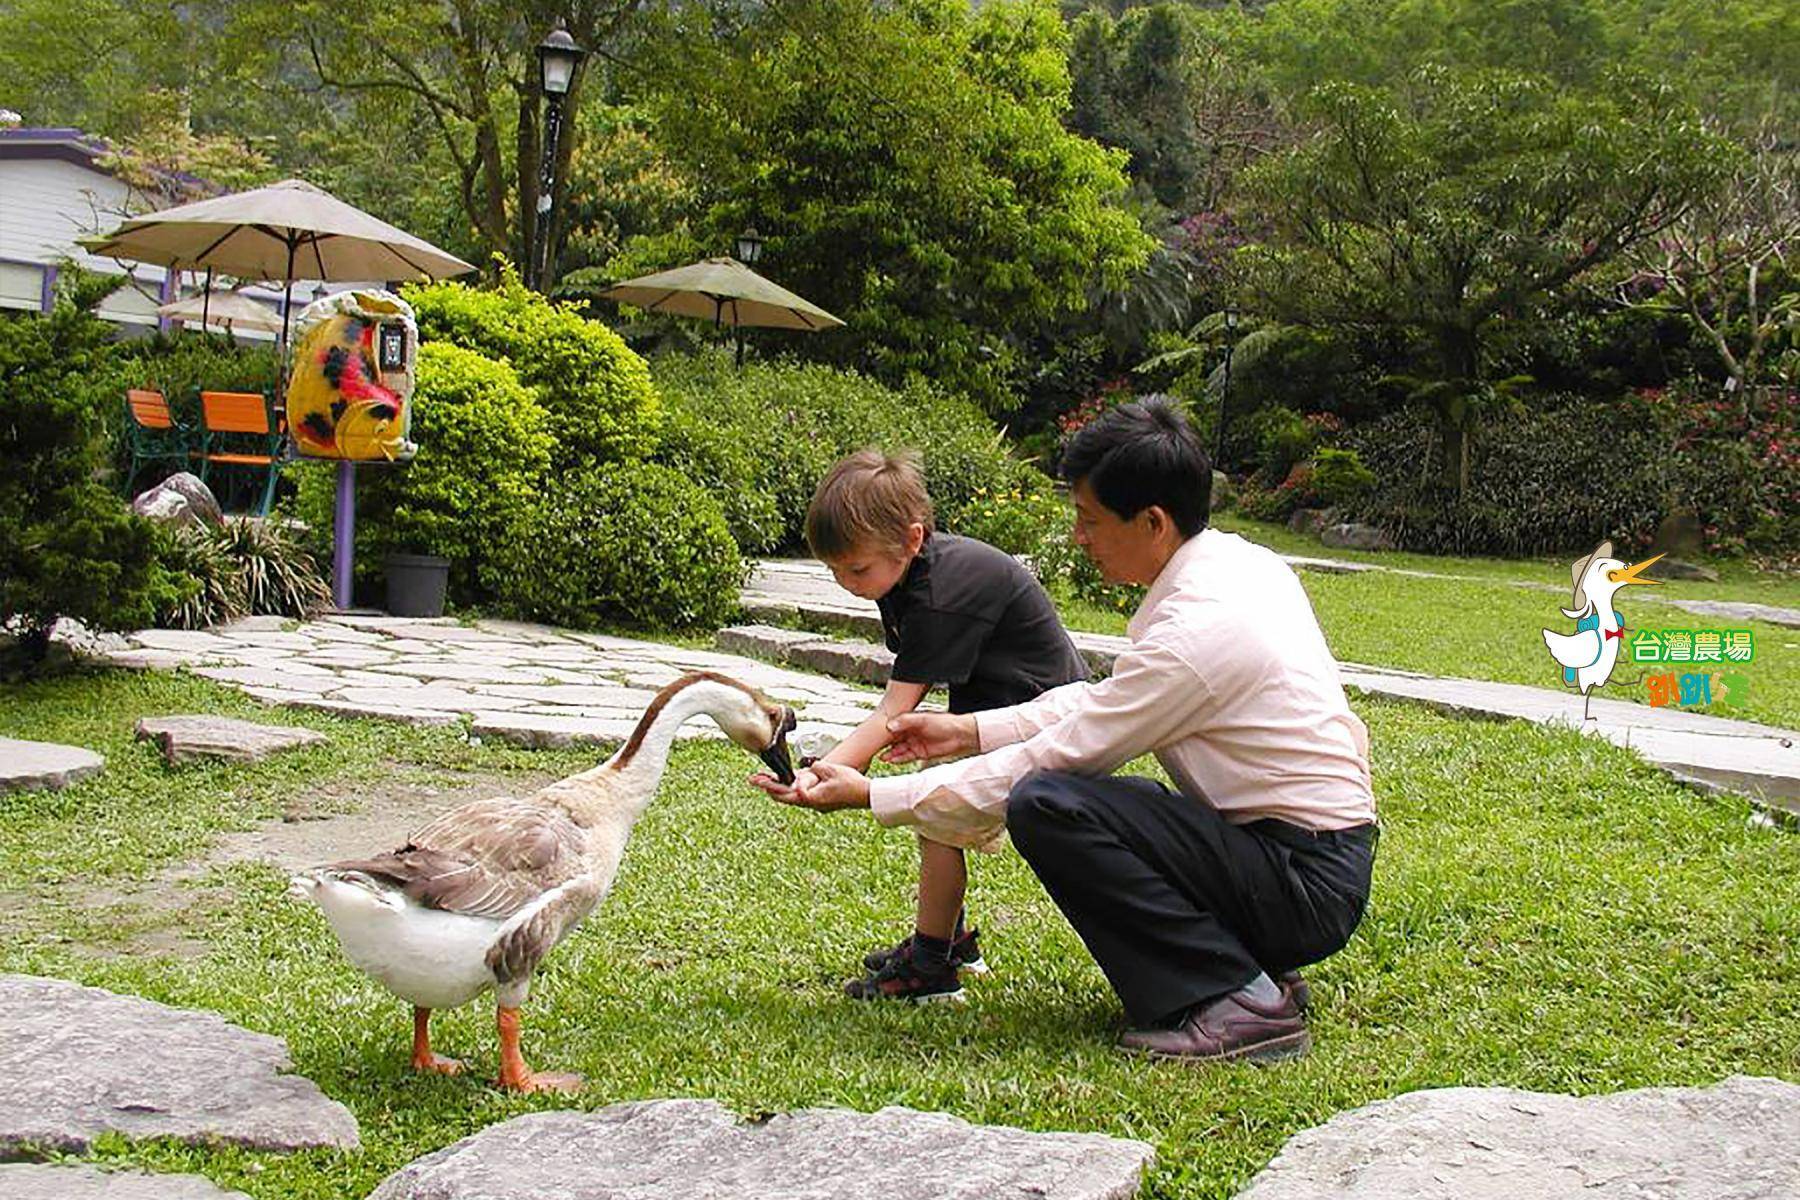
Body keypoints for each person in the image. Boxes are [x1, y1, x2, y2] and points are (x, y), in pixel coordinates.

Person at [758, 399, 1376, 1063]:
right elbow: (1101, 701)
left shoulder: (1200, 633)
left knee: (1048, 804)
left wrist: (873, 796)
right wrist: (966, 731)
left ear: (1154, 522)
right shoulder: (1234, 565)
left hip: (1302, 880)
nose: (1079, 537)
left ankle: (1238, 1001)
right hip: (1302, 858)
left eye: (1089, 520)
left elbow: (1052, 760)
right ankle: (1248, 967)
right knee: (1095, 802)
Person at [754, 449, 1089, 1002]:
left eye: (856, 569)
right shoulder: (907, 575)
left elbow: (894, 713)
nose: (846, 583)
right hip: (992, 706)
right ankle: (952, 942)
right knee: (934, 807)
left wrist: (819, 774)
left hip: (1037, 716)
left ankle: (932, 966)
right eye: (834, 570)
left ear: (911, 539)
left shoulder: (939, 595)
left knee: (935, 813)